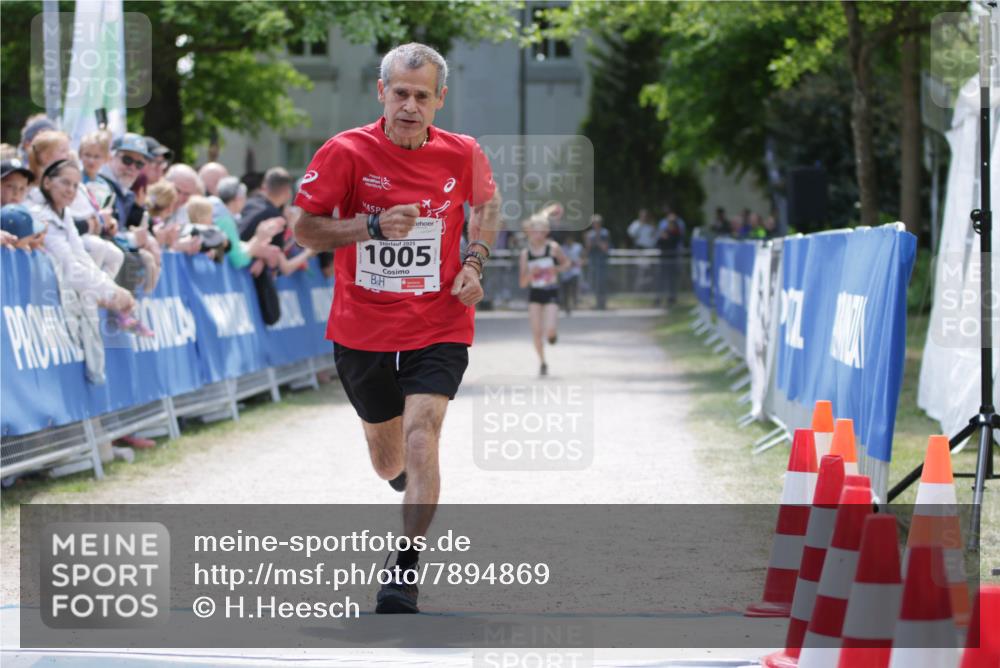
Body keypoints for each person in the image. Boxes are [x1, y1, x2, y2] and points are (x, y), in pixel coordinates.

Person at [293, 42, 500, 614]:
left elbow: (487, 206)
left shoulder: (464, 154)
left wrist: (475, 262)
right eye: (401, 93)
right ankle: (406, 481)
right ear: (381, 92)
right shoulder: (346, 151)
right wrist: (372, 227)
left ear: (440, 100)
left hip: (441, 317)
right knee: (389, 460)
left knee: (422, 432)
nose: (410, 105)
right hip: (363, 322)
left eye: (422, 95)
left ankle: (404, 569)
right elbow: (305, 229)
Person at [519, 208, 570, 376]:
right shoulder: (525, 254)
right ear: (529, 232)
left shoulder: (553, 247)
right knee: (536, 332)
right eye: (534, 231)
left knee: (550, 330)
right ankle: (542, 362)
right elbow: (522, 282)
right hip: (535, 293)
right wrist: (530, 274)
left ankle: (553, 334)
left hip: (551, 291)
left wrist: (556, 269)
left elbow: (566, 264)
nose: (538, 234)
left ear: (546, 232)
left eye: (541, 231)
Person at [656, 210, 685, 307]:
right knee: (661, 280)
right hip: (664, 259)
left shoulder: (677, 233)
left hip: (672, 259)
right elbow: (659, 243)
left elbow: (674, 242)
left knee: (672, 280)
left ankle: (671, 299)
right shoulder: (664, 232)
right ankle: (658, 298)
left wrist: (667, 238)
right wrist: (663, 237)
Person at [584, 213, 611, 309]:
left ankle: (603, 304)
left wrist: (597, 238)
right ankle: (596, 303)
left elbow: (605, 248)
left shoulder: (605, 233)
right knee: (594, 283)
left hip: (602, 262)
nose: (594, 225)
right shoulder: (589, 234)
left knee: (602, 283)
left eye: (596, 223)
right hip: (593, 262)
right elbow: (587, 249)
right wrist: (588, 240)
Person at [559, 233, 583, 315]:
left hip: (575, 272)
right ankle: (567, 306)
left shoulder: (578, 247)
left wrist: (579, 262)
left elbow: (583, 257)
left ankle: (574, 304)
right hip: (565, 273)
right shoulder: (562, 248)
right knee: (566, 291)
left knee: (574, 289)